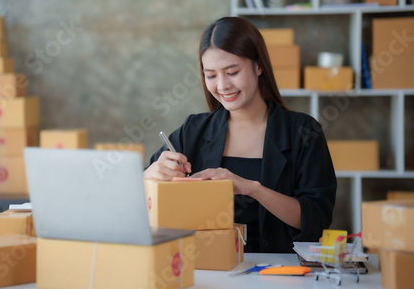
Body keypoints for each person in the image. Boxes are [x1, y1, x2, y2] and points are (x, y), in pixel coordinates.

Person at [143, 17, 337, 253]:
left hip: (280, 273)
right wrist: (149, 176)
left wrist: (252, 188)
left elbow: (316, 220)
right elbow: (140, 200)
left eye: (232, 72)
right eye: (211, 75)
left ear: (258, 66)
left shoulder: (303, 132)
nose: (222, 85)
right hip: (211, 270)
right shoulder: (194, 130)